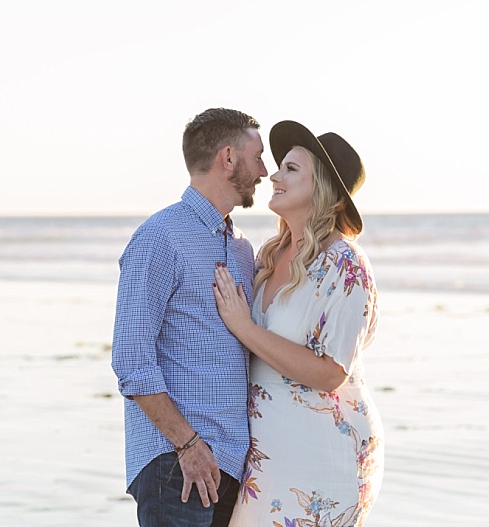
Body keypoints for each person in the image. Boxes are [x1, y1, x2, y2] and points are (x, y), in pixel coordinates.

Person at [212, 120, 383, 527]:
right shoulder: (267, 257)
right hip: (266, 456)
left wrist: (245, 327)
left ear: (323, 189)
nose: (273, 175)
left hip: (323, 455)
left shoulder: (345, 264)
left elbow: (329, 374)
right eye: (279, 166)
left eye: (290, 169)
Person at [111, 107, 269, 527]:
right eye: (258, 156)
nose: (265, 170)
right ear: (229, 158)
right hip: (177, 465)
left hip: (230, 465)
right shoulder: (159, 237)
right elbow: (130, 360)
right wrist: (187, 445)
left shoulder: (240, 249)